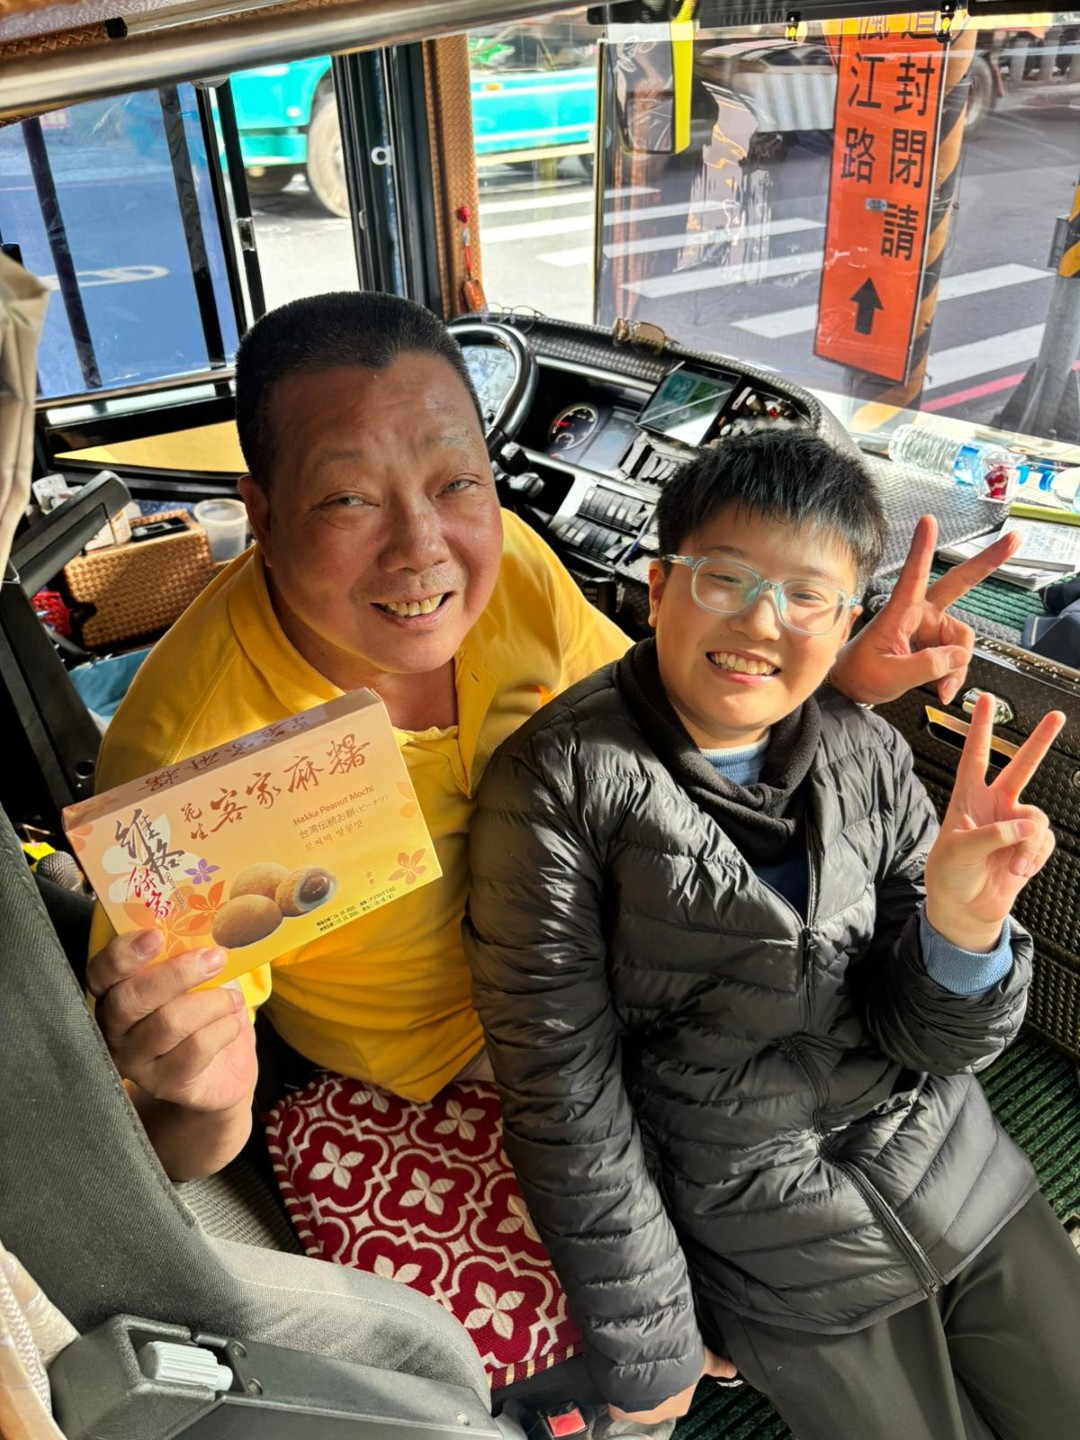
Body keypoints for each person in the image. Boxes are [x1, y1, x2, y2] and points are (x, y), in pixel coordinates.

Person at [86, 291, 1020, 1185]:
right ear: (260, 512)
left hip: (626, 949)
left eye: (457, 483)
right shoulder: (187, 772)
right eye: (348, 500)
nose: (422, 549)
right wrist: (213, 1104)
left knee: (901, 1087)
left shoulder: (508, 569)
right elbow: (158, 1150)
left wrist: (831, 680)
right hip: (481, 1069)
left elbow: (655, 723)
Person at [463, 430, 1078, 1440]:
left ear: (844, 626)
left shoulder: (867, 750)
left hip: (961, 1177)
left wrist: (964, 932)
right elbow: (564, 1088)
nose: (760, 620)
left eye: (806, 597)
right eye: (725, 579)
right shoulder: (553, 787)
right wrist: (650, 1340)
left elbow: (937, 1043)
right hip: (773, 1257)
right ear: (658, 588)